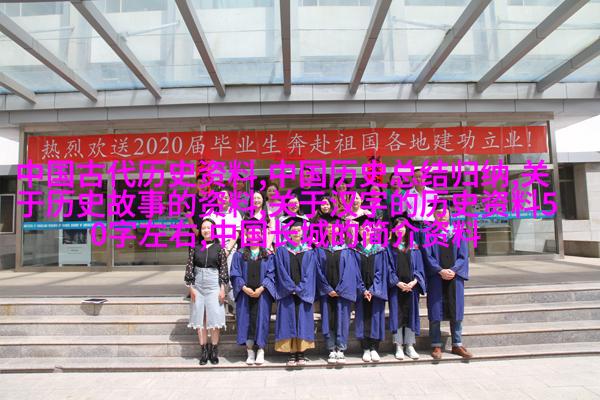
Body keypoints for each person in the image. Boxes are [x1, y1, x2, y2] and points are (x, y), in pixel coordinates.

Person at [315, 214, 367, 365]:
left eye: (335, 227)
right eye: (329, 227)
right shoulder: (320, 250)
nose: (332, 229)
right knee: (328, 319)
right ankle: (331, 348)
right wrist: (327, 288)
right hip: (327, 293)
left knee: (342, 320)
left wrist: (341, 288)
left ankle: (341, 348)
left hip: (342, 292)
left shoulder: (347, 250)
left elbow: (351, 271)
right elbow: (317, 270)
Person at [423, 204, 472, 360]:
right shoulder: (429, 234)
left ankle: (457, 344)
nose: (442, 215)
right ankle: (436, 344)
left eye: (445, 212)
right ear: (434, 215)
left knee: (456, 310)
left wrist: (454, 270)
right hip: (436, 278)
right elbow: (427, 256)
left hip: (454, 277)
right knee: (435, 310)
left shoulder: (458, 232)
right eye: (438, 212)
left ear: (450, 214)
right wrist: (440, 270)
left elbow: (463, 256)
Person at [273, 216, 318, 367]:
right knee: (289, 320)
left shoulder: (309, 251)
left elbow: (310, 273)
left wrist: (300, 289)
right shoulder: (281, 250)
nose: (296, 232)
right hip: (287, 293)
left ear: (303, 232)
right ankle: (291, 353)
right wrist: (290, 287)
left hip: (303, 293)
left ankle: (301, 353)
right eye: (293, 230)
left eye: (299, 230)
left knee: (302, 321)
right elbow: (280, 270)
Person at [229, 221, 276, 366]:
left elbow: (271, 273)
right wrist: (243, 288)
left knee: (262, 321)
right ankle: (250, 351)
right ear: (247, 235)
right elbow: (235, 273)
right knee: (246, 321)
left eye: (257, 233)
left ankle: (261, 350)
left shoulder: (268, 254)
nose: (254, 235)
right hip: (245, 294)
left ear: (261, 235)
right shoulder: (239, 254)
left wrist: (262, 288)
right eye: (251, 233)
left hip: (263, 294)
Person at [184, 218, 228, 365]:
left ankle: (214, 350)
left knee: (214, 319)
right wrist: (191, 287)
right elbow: (189, 268)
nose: (206, 230)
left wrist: (222, 289)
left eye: (209, 228)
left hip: (214, 285)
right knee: (200, 319)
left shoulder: (219, 248)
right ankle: (203, 350)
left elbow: (223, 269)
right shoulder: (195, 247)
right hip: (198, 285)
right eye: (203, 228)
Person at [351, 214, 389, 363]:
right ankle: (365, 348)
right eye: (363, 229)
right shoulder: (355, 250)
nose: (366, 231)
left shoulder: (379, 250)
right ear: (359, 231)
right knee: (362, 318)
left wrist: (373, 290)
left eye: (369, 228)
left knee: (375, 317)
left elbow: (381, 272)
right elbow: (354, 272)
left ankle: (374, 348)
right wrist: (363, 290)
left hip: (376, 292)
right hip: (361, 292)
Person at [387, 216, 426, 360]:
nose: (400, 230)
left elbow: (419, 268)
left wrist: (415, 282)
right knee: (397, 315)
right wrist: (397, 282)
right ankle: (398, 345)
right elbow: (387, 268)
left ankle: (409, 345)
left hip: (411, 288)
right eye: (397, 227)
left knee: (411, 315)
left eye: (402, 227)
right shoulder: (389, 248)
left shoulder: (414, 247)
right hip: (396, 288)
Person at [208, 187, 243, 314]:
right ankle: (218, 311)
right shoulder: (210, 213)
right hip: (213, 250)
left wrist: (228, 250)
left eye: (226, 197)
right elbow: (206, 230)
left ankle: (235, 309)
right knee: (215, 280)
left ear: (230, 199)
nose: (223, 199)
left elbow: (236, 233)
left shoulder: (235, 213)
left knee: (230, 278)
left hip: (230, 249)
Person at [405, 168, 437, 245]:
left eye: (420, 176)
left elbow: (437, 210)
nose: (418, 179)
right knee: (415, 249)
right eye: (415, 177)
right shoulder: (408, 194)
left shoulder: (432, 193)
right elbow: (403, 211)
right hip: (414, 227)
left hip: (429, 226)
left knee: (429, 249)